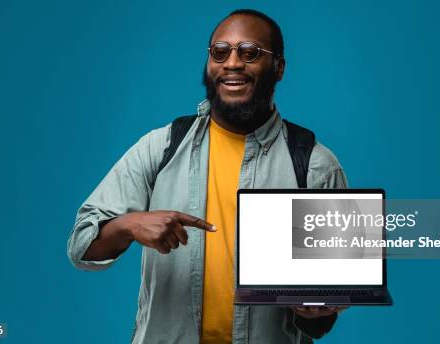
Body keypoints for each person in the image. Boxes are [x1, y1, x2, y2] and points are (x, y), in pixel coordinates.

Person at [67, 9, 349, 344]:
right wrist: (128, 224)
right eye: (220, 52)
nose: (232, 63)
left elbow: (327, 308)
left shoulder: (315, 165)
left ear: (279, 68)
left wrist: (317, 307)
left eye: (250, 53)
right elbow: (81, 246)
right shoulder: (160, 147)